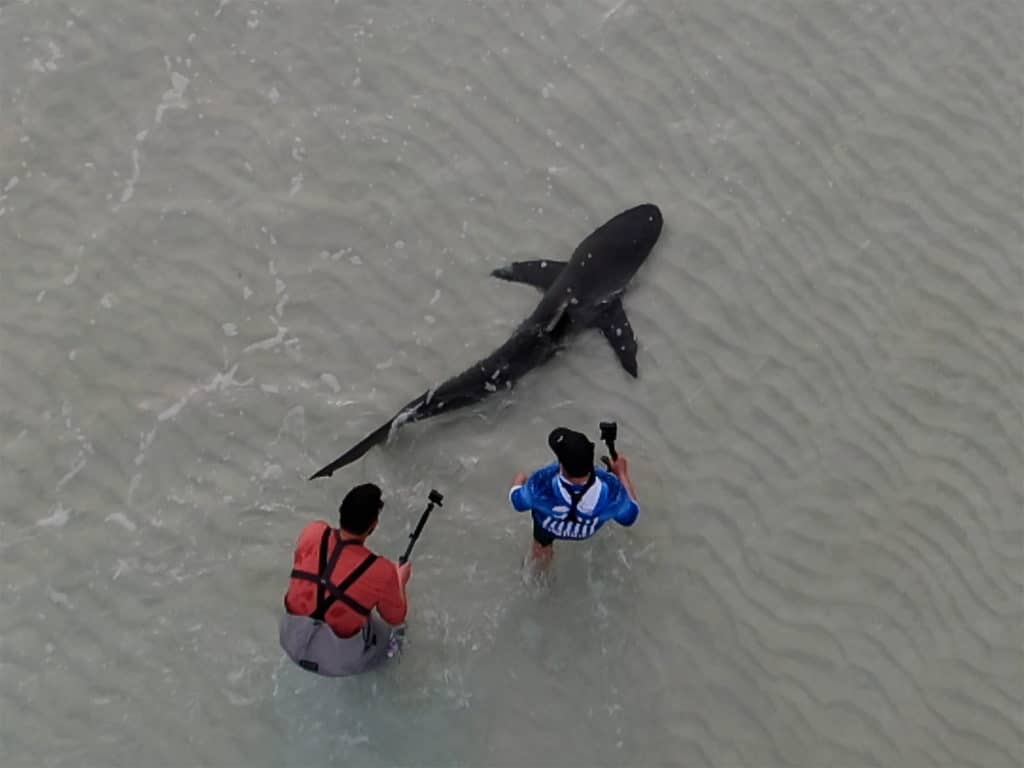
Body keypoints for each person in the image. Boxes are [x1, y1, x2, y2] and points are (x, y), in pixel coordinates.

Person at [279, 483, 411, 677]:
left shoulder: (313, 532)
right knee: (396, 636)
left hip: (290, 640)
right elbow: (395, 617)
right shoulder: (382, 571)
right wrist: (400, 581)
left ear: (341, 512)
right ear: (374, 525)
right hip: (335, 663)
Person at [509, 427, 639, 571]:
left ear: (562, 465)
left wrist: (519, 480)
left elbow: (518, 502)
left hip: (548, 527)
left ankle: (539, 579)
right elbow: (630, 516)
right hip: (584, 531)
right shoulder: (611, 490)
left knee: (540, 549)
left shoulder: (541, 483)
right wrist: (622, 473)